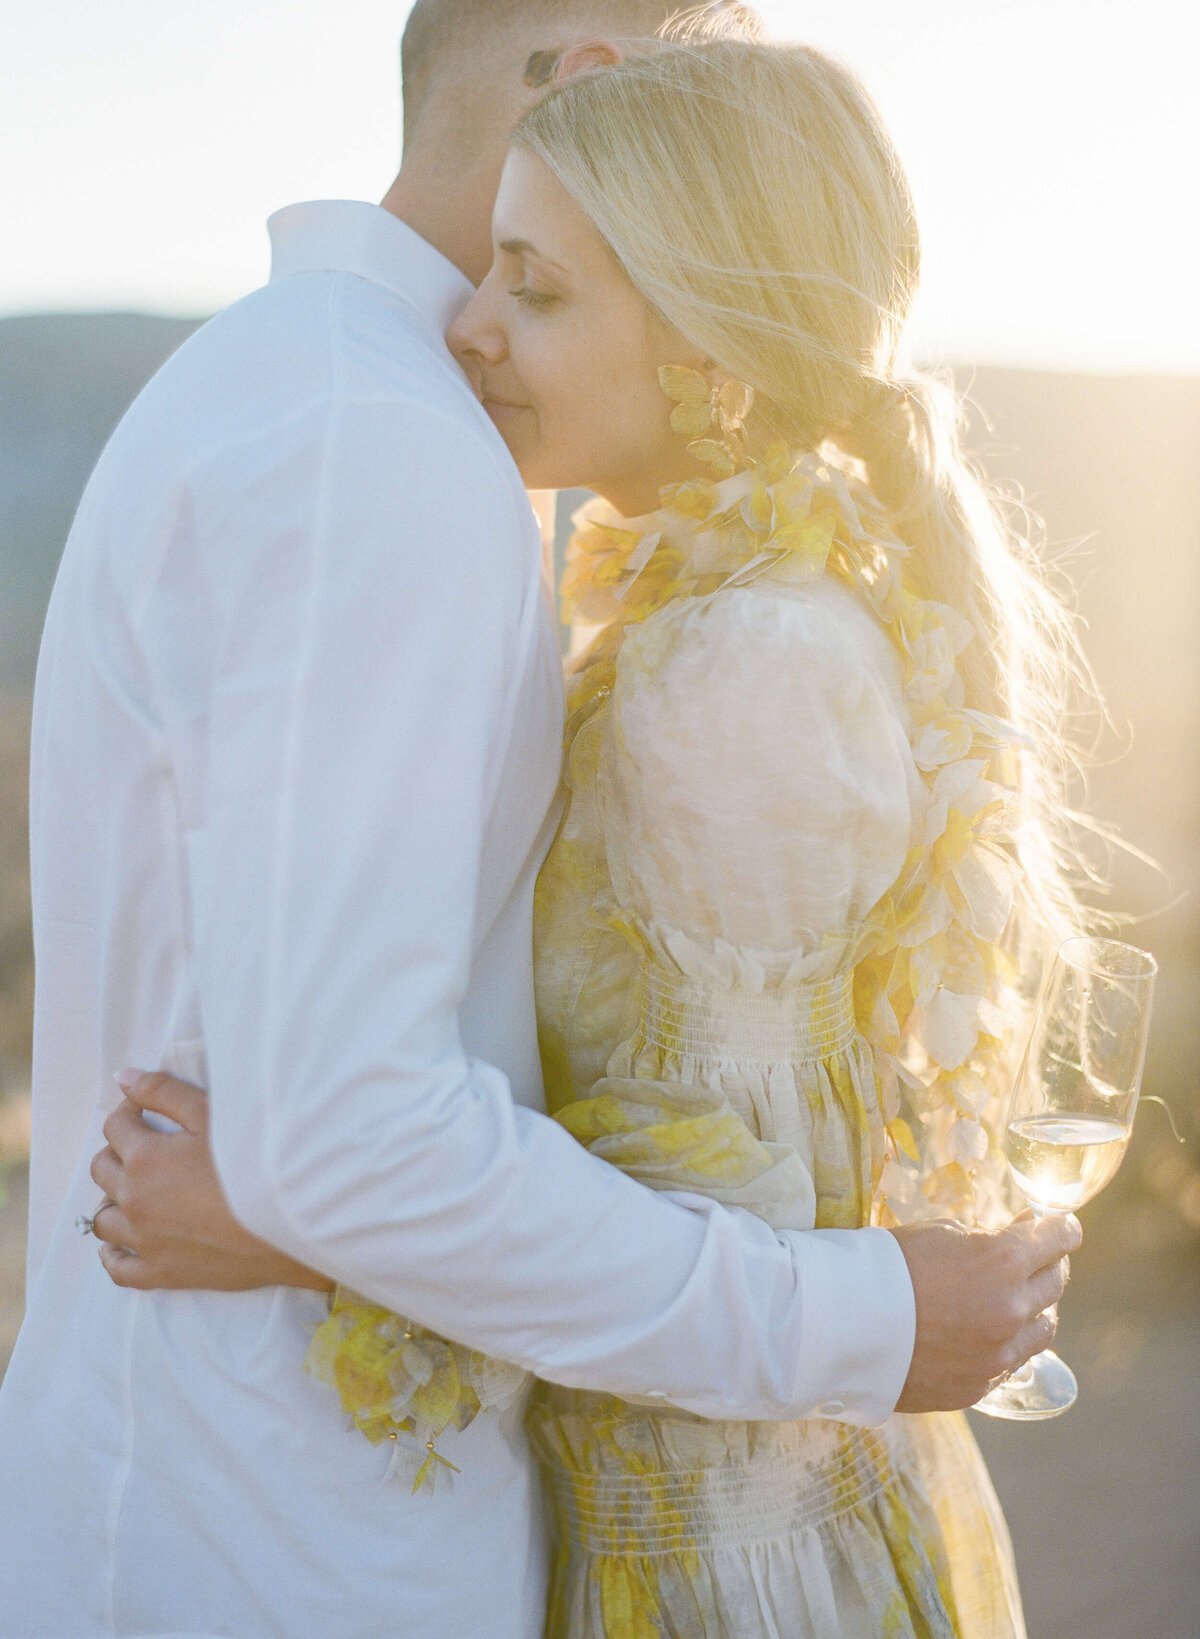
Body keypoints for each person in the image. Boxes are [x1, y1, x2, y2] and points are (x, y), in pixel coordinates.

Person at [1, 7, 1079, 1638]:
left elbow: (635, 1126)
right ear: (600, 83)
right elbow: (360, 1133)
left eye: (545, 288)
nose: (490, 328)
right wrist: (308, 1200)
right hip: (290, 1547)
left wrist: (296, 1221)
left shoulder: (332, 404)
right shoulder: (385, 447)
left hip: (337, 1503)